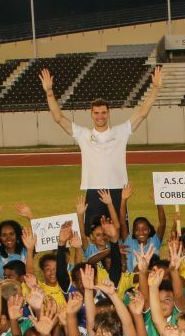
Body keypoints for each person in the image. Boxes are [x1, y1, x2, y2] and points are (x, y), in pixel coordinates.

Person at [42, 63, 164, 228]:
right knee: (94, 234)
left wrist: (155, 89)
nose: (100, 116)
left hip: (117, 190)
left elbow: (142, 113)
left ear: (109, 113)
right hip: (94, 191)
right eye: (97, 113)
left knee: (121, 232)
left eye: (103, 112)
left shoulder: (121, 132)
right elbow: (58, 118)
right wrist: (49, 92)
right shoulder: (83, 134)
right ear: (91, 114)